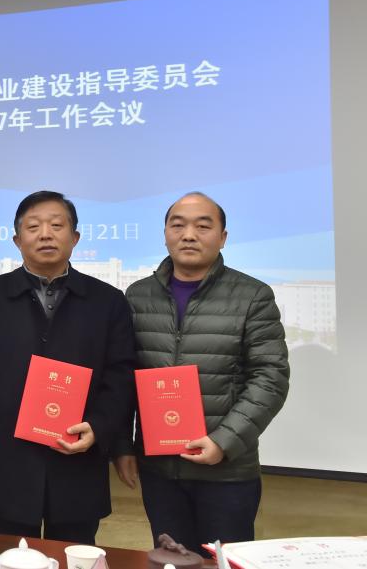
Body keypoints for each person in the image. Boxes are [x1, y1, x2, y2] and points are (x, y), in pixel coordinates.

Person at [0, 190, 136, 544]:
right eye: (34, 226)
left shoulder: (107, 301)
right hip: (7, 459)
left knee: (73, 556)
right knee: (8, 556)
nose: (46, 234)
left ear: (75, 237)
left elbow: (120, 376)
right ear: (17, 240)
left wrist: (98, 428)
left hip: (77, 456)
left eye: (57, 225)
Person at [115, 192, 289, 554]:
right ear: (165, 234)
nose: (189, 235)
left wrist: (224, 441)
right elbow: (124, 377)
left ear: (223, 237)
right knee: (171, 558)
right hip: (160, 470)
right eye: (178, 225)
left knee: (223, 561)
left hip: (226, 472)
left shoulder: (253, 295)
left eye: (203, 226)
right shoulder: (138, 296)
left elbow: (270, 377)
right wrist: (125, 447)